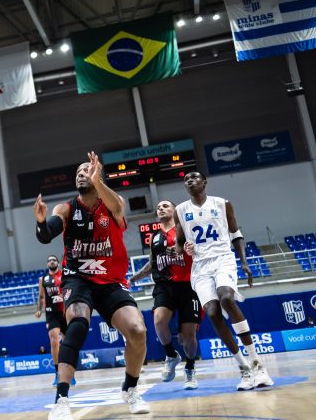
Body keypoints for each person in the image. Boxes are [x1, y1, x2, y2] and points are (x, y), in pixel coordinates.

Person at [36, 152, 150, 420]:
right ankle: (61, 400)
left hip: (111, 280)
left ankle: (130, 389)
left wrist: (98, 182)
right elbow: (46, 235)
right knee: (77, 324)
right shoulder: (66, 209)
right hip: (78, 278)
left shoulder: (113, 204)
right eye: (78, 172)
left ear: (98, 176)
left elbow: (116, 206)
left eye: (86, 170)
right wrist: (41, 222)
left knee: (137, 331)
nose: (81, 174)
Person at [174, 171, 273, 390]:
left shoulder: (222, 204)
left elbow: (236, 234)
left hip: (223, 259)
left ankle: (258, 364)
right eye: (186, 180)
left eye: (194, 178)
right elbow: (179, 243)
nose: (189, 181)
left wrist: (244, 262)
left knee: (226, 298)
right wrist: (183, 248)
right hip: (200, 266)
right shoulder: (180, 210)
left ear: (204, 182)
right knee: (212, 312)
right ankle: (244, 368)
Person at [129, 200, 201, 389]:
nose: (161, 208)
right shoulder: (154, 236)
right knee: (159, 320)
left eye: (165, 206)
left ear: (175, 211)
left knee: (188, 335)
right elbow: (152, 263)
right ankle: (170, 355)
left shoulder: (185, 229)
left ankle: (190, 368)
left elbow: (199, 252)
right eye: (159, 207)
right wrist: (134, 278)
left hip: (188, 286)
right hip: (164, 285)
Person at [35, 254, 68, 386]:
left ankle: (69, 372)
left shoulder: (64, 275)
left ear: (58, 263)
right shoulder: (43, 279)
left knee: (67, 343)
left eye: (54, 260)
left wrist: (63, 297)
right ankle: (57, 373)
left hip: (65, 312)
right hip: (51, 314)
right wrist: (38, 309)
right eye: (49, 260)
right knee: (54, 341)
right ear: (47, 264)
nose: (51, 261)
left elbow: (70, 290)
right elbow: (41, 296)